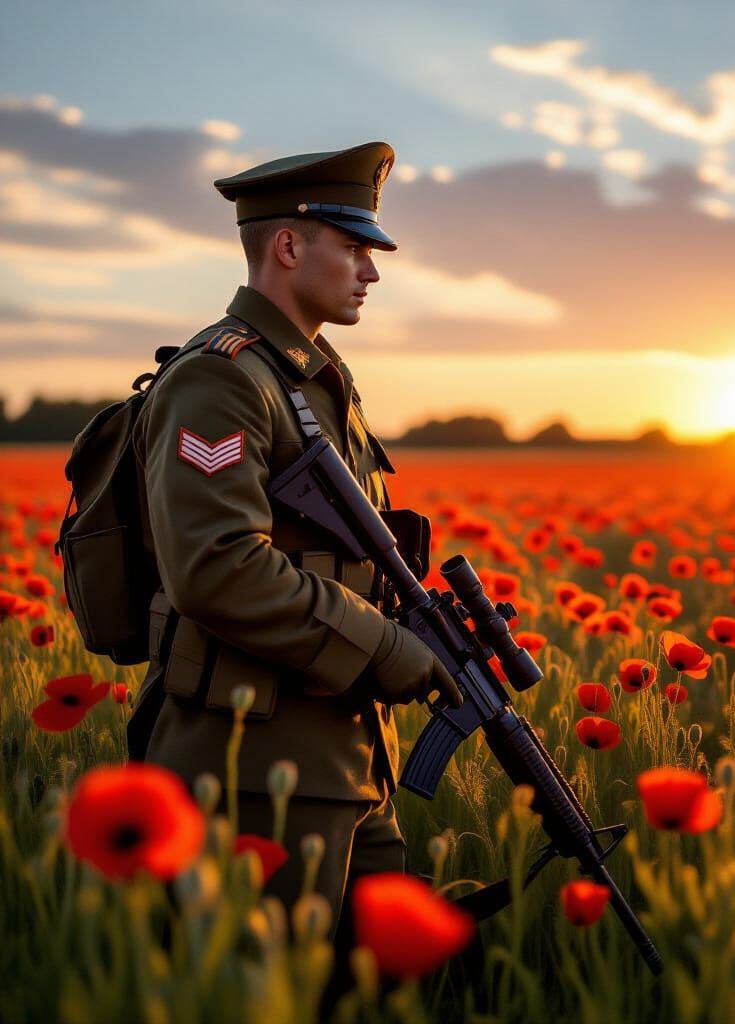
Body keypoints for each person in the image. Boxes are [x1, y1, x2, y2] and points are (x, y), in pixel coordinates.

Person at [130, 141, 461, 986]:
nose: (371, 273)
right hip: (252, 773)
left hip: (345, 765)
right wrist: (389, 651)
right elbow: (218, 566)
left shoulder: (311, 379)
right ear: (287, 247)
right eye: (354, 249)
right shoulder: (222, 380)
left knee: (412, 985)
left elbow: (342, 556)